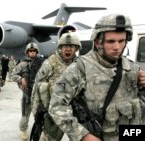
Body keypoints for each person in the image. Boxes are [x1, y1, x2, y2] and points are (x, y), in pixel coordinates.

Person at [48, 13, 145, 141]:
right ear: (98, 42)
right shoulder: (79, 69)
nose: (117, 47)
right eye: (111, 41)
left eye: (121, 41)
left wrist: (143, 86)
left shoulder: (132, 68)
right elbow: (56, 105)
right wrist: (83, 135)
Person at [31, 32, 81, 141]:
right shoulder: (50, 63)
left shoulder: (80, 65)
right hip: (53, 111)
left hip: (74, 111)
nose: (68, 49)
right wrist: (36, 112)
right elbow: (37, 87)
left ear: (76, 48)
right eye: (65, 46)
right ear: (60, 47)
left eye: (71, 46)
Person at [11, 42, 44, 140]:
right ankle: (24, 131)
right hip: (27, 94)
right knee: (25, 115)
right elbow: (13, 75)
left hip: (39, 95)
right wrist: (21, 79)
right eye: (30, 51)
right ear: (27, 52)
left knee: (40, 115)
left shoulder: (42, 63)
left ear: (37, 52)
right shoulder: (23, 64)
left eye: (34, 51)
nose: (32, 52)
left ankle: (40, 131)